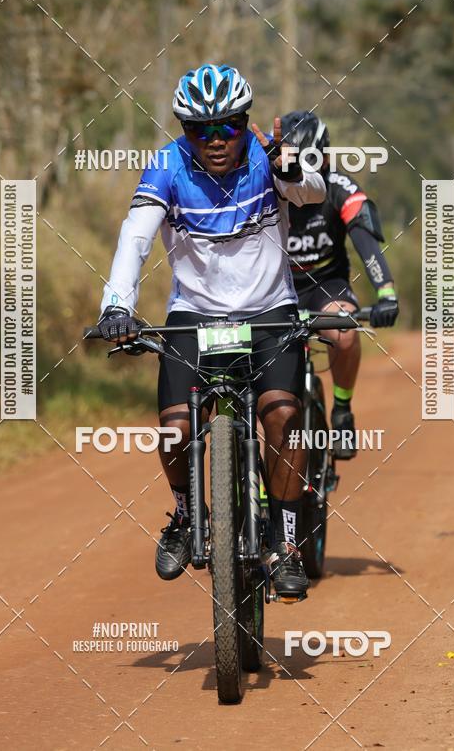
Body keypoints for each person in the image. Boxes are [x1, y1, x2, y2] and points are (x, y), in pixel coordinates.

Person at [97, 65, 326, 598]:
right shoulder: (167, 165)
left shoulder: (268, 157)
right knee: (177, 427)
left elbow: (312, 194)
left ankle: (286, 543)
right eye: (201, 129)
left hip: (269, 310)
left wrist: (291, 167)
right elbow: (135, 237)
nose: (216, 140)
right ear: (184, 130)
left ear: (246, 122)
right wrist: (116, 305)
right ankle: (184, 515)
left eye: (229, 125)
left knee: (283, 415)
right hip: (195, 313)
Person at [280, 110, 399, 459]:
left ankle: (343, 410)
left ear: (326, 157)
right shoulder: (267, 186)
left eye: (312, 162)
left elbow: (366, 243)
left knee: (345, 331)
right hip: (276, 288)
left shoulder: (340, 189)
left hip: (325, 285)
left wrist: (386, 293)